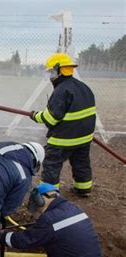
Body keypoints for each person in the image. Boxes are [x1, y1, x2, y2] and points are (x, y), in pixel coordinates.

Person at [0, 183, 108, 257]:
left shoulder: (49, 220)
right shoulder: (74, 209)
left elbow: (25, 240)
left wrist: (2, 236)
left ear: (39, 200)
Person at [30, 53, 96, 197]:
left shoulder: (61, 91)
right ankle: (84, 189)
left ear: (59, 70)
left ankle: (49, 194)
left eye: (51, 72)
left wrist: (35, 116)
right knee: (81, 163)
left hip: (64, 139)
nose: (50, 75)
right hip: (84, 138)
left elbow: (51, 119)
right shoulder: (83, 87)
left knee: (51, 164)